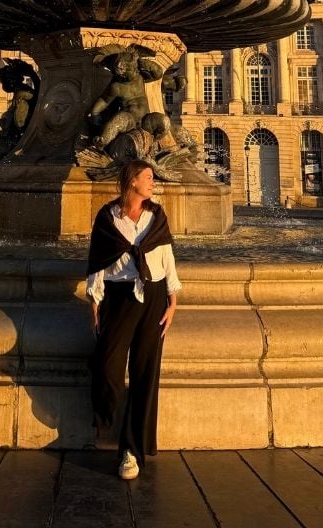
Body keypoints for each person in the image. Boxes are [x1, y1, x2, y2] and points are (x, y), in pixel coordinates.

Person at [86, 161, 181, 480]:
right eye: (148, 178)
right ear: (132, 182)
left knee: (145, 374)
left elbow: (166, 256)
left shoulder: (157, 215)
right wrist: (94, 299)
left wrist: (173, 299)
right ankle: (107, 414)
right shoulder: (108, 216)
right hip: (118, 296)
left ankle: (130, 449)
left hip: (153, 297)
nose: (153, 182)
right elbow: (98, 259)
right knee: (108, 364)